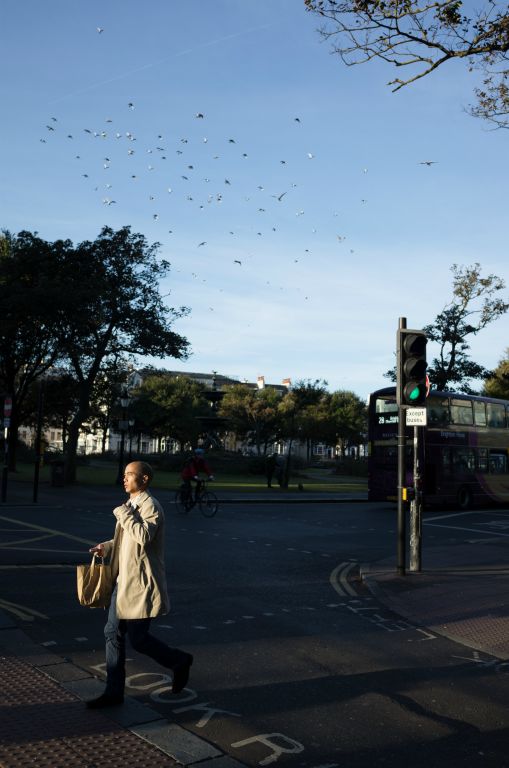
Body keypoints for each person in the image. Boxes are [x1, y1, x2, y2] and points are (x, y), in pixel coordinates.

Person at [86, 460, 193, 709]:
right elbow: (126, 540)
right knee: (112, 634)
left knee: (139, 639)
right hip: (123, 582)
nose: (124, 479)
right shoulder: (130, 504)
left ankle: (179, 661)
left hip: (140, 585)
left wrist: (123, 514)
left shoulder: (150, 506)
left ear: (144, 479)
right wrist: (107, 546)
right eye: (123, 474)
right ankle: (113, 692)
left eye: (129, 475)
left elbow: (143, 537)